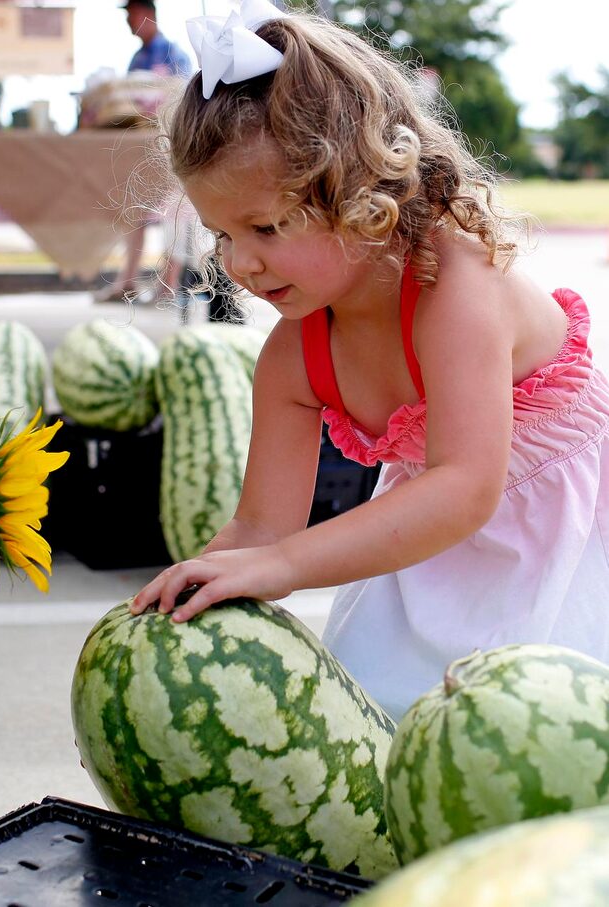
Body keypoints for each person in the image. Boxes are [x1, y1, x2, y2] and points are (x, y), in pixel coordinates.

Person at [130, 1, 609, 721]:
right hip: (425, 539)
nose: (241, 263)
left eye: (265, 227)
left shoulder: (454, 286)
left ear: (358, 188)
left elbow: (465, 485)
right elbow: (263, 530)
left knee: (546, 737)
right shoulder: (294, 357)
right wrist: (196, 585)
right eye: (222, 234)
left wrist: (285, 565)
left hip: (565, 537)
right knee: (388, 720)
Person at [95, 0, 193, 304]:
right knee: (132, 208)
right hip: (139, 148)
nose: (127, 19)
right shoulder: (137, 58)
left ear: (147, 14)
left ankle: (168, 285)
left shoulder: (174, 54)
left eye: (131, 13)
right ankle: (128, 281)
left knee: (176, 212)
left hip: (167, 146)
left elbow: (183, 99)